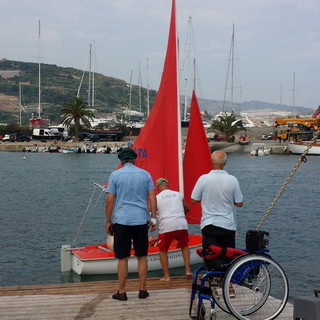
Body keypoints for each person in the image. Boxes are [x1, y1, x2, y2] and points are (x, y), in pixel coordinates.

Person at [105, 147, 157, 301]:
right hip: (141, 220)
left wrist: (108, 221)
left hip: (122, 220)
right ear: (134, 159)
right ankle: (143, 290)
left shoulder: (115, 175)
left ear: (121, 161)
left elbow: (110, 200)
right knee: (141, 256)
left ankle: (121, 292)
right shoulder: (145, 174)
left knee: (122, 258)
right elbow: (152, 197)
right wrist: (153, 218)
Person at [191, 150, 243, 297]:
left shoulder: (203, 179)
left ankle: (212, 285)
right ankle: (230, 287)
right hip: (227, 225)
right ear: (225, 163)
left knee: (211, 256)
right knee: (228, 257)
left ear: (210, 161)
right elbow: (239, 203)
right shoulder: (232, 180)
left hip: (209, 224)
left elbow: (194, 199)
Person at [156, 178, 192, 281]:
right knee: (184, 246)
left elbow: (151, 211)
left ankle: (167, 276)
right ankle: (188, 270)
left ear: (158, 187)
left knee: (163, 250)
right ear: (168, 185)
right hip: (181, 224)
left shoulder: (157, 197)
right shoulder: (178, 194)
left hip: (167, 225)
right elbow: (187, 208)